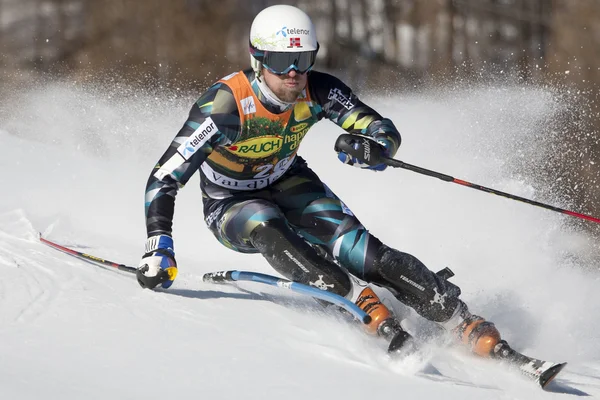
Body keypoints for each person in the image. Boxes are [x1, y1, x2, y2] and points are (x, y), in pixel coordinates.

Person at [137, 4, 504, 357]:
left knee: (365, 254)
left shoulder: (319, 90)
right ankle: (354, 297)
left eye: (304, 59)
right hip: (229, 201)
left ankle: (457, 316)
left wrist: (374, 148)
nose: (294, 72)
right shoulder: (224, 106)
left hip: (288, 181)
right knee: (267, 226)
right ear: (259, 59)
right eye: (282, 61)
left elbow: (380, 128)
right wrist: (159, 244)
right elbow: (164, 177)